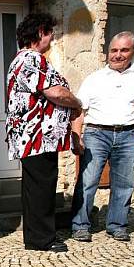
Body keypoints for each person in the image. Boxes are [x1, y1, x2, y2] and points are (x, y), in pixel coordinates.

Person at [71, 32, 134, 242]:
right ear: (108, 52)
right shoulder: (94, 78)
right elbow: (79, 110)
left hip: (128, 133)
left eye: (124, 50)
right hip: (97, 133)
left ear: (133, 51)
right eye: (114, 50)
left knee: (124, 182)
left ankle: (117, 225)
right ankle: (80, 225)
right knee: (88, 180)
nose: (118, 55)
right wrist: (76, 137)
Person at [6, 13, 82, 252]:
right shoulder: (32, 59)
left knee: (34, 187)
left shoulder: (21, 59)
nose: (52, 38)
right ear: (40, 32)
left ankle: (35, 236)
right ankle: (43, 239)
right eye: (50, 33)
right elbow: (55, 92)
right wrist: (77, 102)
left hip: (33, 136)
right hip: (38, 136)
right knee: (42, 187)